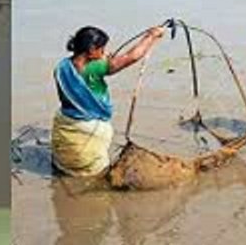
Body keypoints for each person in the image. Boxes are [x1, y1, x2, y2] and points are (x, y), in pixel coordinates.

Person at [51, 25, 167, 176]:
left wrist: (102, 59)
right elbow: (133, 56)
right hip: (89, 128)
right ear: (91, 50)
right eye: (101, 49)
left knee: (69, 161)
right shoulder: (98, 67)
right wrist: (151, 36)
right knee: (96, 170)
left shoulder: (62, 67)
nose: (104, 53)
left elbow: (84, 70)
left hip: (66, 126)